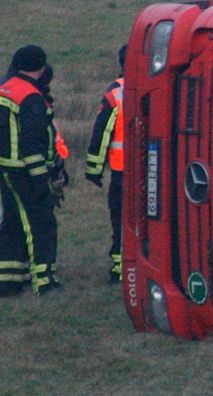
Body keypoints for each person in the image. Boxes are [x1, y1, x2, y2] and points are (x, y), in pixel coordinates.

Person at [0, 45, 64, 296]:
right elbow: (31, 143)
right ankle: (44, 281)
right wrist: (43, 180)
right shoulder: (30, 96)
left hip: (3, 168)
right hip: (25, 172)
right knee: (40, 224)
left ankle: (7, 280)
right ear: (40, 69)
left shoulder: (4, 89)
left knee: (11, 223)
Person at [86, 45, 126, 282]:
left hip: (122, 173)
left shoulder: (116, 94)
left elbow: (102, 134)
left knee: (120, 219)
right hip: (155, 172)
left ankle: (121, 269)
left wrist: (94, 170)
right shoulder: (161, 86)